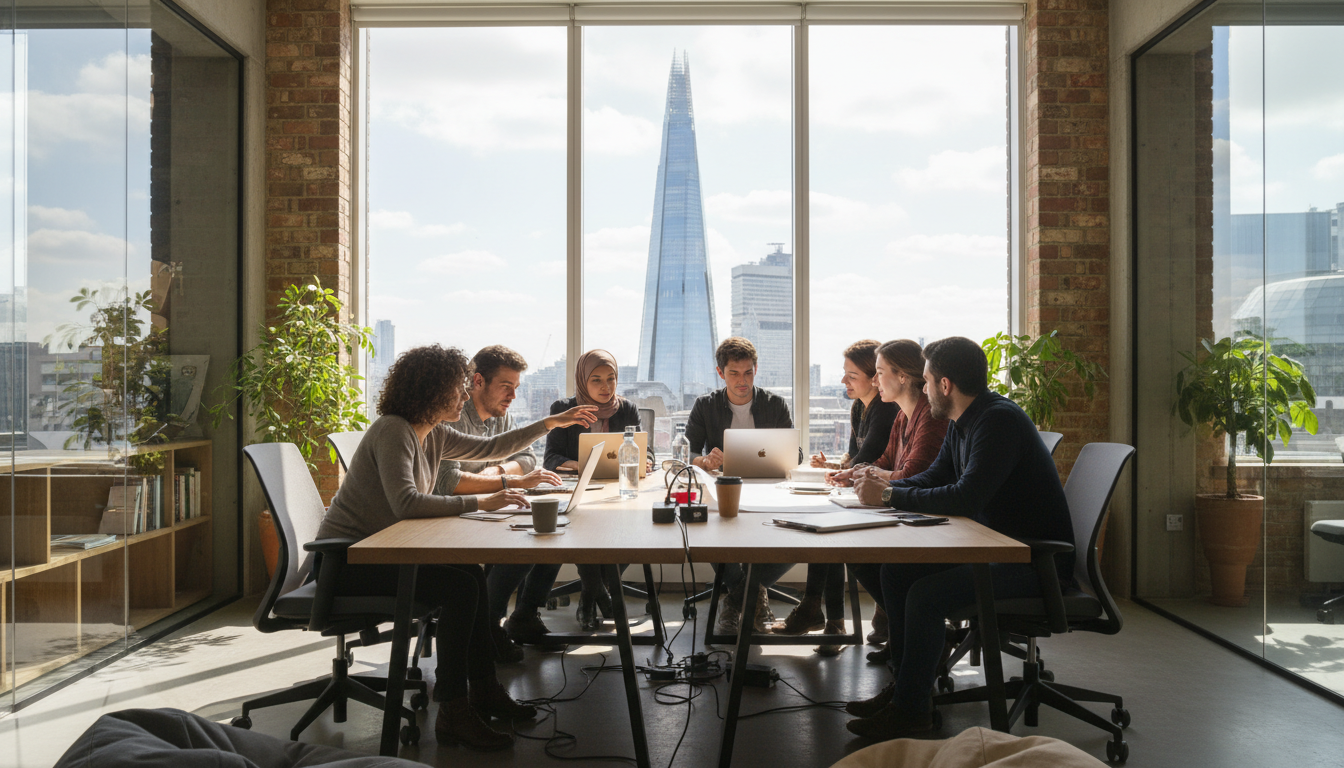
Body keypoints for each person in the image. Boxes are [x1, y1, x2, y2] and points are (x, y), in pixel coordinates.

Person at [314, 344, 597, 751]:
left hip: (385, 551)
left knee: (469, 574)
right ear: (432, 392)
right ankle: (453, 710)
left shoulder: (433, 431)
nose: (465, 396)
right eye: (457, 389)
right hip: (346, 561)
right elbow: (406, 503)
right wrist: (484, 500)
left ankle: (482, 689)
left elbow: (493, 450)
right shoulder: (395, 429)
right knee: (460, 587)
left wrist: (550, 423)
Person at [845, 336, 1073, 741]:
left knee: (925, 595)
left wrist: (891, 493)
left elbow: (967, 497)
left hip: (1032, 562)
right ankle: (907, 690)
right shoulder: (964, 420)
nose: (923, 388)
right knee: (897, 574)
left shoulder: (997, 421)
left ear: (945, 385)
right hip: (996, 548)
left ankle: (912, 712)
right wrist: (882, 488)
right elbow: (936, 477)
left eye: (927, 381)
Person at [432, 345, 565, 657]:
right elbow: (448, 483)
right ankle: (488, 628)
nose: (513, 397)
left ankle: (524, 616)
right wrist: (507, 481)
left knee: (552, 527)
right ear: (478, 381)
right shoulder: (452, 416)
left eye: (516, 388)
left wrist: (500, 469)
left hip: (483, 508)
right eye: (506, 387)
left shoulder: (497, 417)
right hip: (449, 514)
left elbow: (528, 456)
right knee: (525, 541)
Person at [827, 339, 949, 662]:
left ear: (903, 377)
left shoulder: (930, 417)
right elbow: (885, 461)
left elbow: (913, 474)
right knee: (854, 554)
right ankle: (902, 632)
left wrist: (874, 480)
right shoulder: (903, 417)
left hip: (926, 523)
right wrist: (859, 473)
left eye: (879, 373)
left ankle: (909, 636)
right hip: (907, 514)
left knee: (882, 566)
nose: (876, 380)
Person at [776, 340, 898, 652]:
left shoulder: (885, 411)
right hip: (865, 489)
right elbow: (856, 457)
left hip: (885, 496)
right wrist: (834, 465)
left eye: (851, 375)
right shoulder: (860, 407)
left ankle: (823, 615)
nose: (843, 381)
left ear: (874, 378)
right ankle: (826, 617)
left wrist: (843, 469)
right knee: (825, 527)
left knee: (827, 530)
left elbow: (868, 459)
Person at [685, 336, 800, 635]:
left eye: (748, 372)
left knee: (798, 536)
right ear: (720, 373)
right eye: (734, 373)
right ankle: (755, 596)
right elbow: (688, 452)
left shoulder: (775, 404)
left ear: (756, 369)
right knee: (703, 527)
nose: (742, 380)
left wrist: (785, 454)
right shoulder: (705, 405)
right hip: (723, 486)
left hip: (769, 486)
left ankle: (737, 599)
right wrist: (704, 461)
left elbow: (796, 454)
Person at [544, 349, 654, 631]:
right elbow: (551, 459)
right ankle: (601, 595)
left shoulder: (626, 409)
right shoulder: (563, 409)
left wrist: (647, 461)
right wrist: (581, 464)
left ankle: (592, 593)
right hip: (581, 491)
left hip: (620, 490)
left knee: (638, 529)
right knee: (585, 527)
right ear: (583, 380)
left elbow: (646, 450)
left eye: (611, 379)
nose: (606, 387)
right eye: (596, 380)